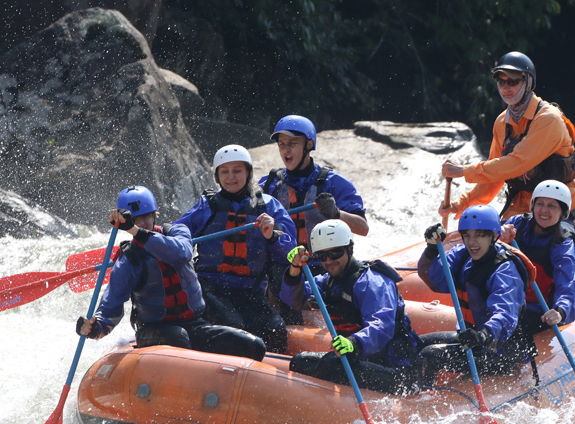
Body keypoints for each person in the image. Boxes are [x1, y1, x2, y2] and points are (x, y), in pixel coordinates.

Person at [76, 186, 266, 361]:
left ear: (154, 214)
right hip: (153, 330)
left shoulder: (177, 231)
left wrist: (137, 232)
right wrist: (94, 328)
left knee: (253, 345)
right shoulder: (128, 260)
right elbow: (111, 307)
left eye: (146, 216)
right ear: (127, 225)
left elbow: (181, 253)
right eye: (135, 220)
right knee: (178, 337)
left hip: (194, 324)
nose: (142, 223)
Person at [438, 51, 575, 221]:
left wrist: (464, 171)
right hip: (520, 206)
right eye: (501, 81)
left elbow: (518, 162)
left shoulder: (549, 119)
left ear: (528, 82)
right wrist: (460, 205)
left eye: (512, 81)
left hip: (557, 206)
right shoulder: (502, 122)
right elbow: (494, 177)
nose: (506, 87)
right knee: (496, 243)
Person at [171, 145, 296, 353]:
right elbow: (179, 230)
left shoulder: (268, 206)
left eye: (237, 170)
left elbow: (291, 250)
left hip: (250, 290)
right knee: (234, 328)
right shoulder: (207, 205)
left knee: (275, 330)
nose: (231, 177)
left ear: (248, 172)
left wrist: (272, 236)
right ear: (218, 176)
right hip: (210, 287)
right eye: (225, 171)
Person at [280, 220, 422, 395]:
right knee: (300, 362)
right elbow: (294, 299)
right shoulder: (327, 282)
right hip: (363, 360)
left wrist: (354, 342)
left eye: (336, 253)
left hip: (397, 369)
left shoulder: (372, 282)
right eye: (323, 256)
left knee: (332, 365)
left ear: (349, 249)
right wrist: (294, 269)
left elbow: (382, 326)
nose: (329, 261)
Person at [260, 115, 370, 324]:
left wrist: (337, 213)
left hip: (324, 266)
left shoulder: (334, 183)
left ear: (309, 145)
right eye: (282, 144)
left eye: (293, 143)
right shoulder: (270, 183)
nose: (286, 150)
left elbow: (363, 228)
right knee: (274, 273)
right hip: (285, 267)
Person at [416, 204, 533, 384]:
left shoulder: (505, 271)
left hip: (500, 350)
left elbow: (505, 315)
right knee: (417, 343)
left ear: (494, 236)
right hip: (474, 339)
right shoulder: (463, 255)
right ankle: (411, 391)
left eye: (479, 235)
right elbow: (437, 280)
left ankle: (422, 399)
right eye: (468, 236)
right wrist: (431, 250)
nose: (472, 242)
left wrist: (484, 333)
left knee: (429, 355)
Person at [500, 179, 575, 336]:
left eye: (551, 206)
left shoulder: (563, 245)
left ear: (562, 212)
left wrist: (560, 311)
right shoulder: (517, 224)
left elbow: (568, 284)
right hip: (506, 302)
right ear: (533, 206)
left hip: (538, 310)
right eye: (540, 204)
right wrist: (498, 235)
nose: (544, 210)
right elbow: (484, 244)